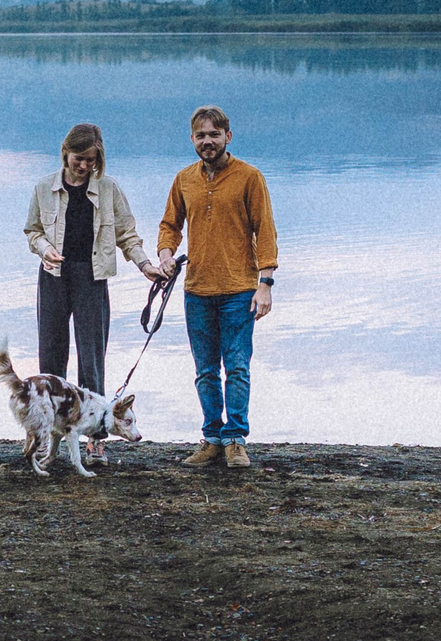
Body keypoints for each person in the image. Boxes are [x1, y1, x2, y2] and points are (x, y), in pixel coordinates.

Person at [155, 105, 276, 469]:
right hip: (197, 290)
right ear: (192, 139)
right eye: (201, 136)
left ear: (228, 137)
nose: (207, 141)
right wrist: (165, 255)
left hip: (239, 289)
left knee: (236, 367)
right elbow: (170, 224)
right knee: (205, 371)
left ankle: (235, 440)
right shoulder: (184, 179)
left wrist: (265, 283)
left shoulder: (249, 177)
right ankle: (211, 439)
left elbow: (265, 231)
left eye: (214, 135)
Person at [23, 123, 164, 403]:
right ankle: (52, 419)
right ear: (65, 152)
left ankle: (94, 424)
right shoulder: (43, 187)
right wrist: (45, 249)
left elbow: (127, 234)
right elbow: (33, 231)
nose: (84, 166)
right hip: (53, 276)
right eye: (79, 158)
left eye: (91, 160)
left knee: (92, 357)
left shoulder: (108, 188)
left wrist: (145, 265)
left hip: (92, 278)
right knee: (51, 354)